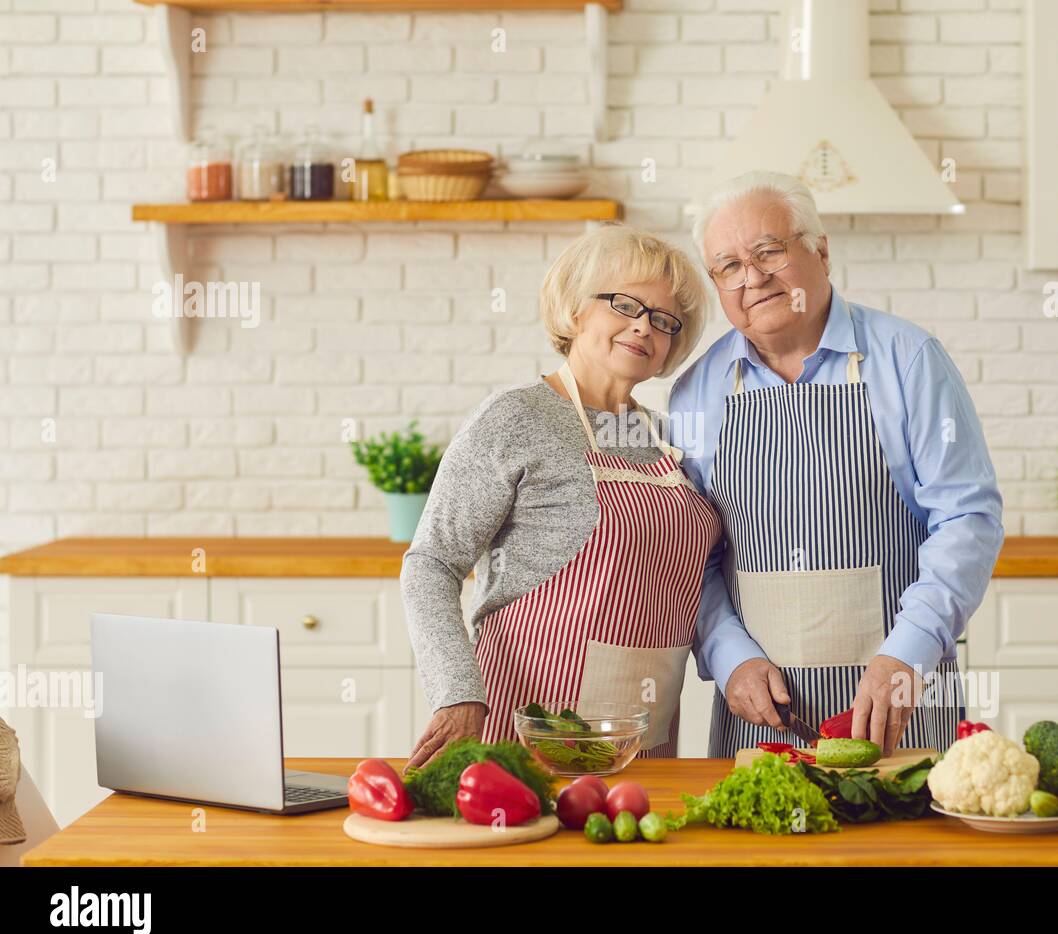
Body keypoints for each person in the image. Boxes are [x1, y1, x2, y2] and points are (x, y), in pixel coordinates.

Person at [670, 170, 1005, 757]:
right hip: (762, 719)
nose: (752, 279)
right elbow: (692, 557)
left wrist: (910, 651)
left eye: (769, 252)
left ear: (821, 251)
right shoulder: (696, 391)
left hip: (901, 701)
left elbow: (967, 519)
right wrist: (729, 658)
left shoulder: (908, 359)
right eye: (727, 267)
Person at [402, 225, 720, 768]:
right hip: (524, 729)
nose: (644, 326)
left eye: (665, 321)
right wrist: (458, 692)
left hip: (640, 739)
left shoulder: (675, 440)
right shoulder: (515, 418)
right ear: (575, 310)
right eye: (625, 305)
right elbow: (431, 563)